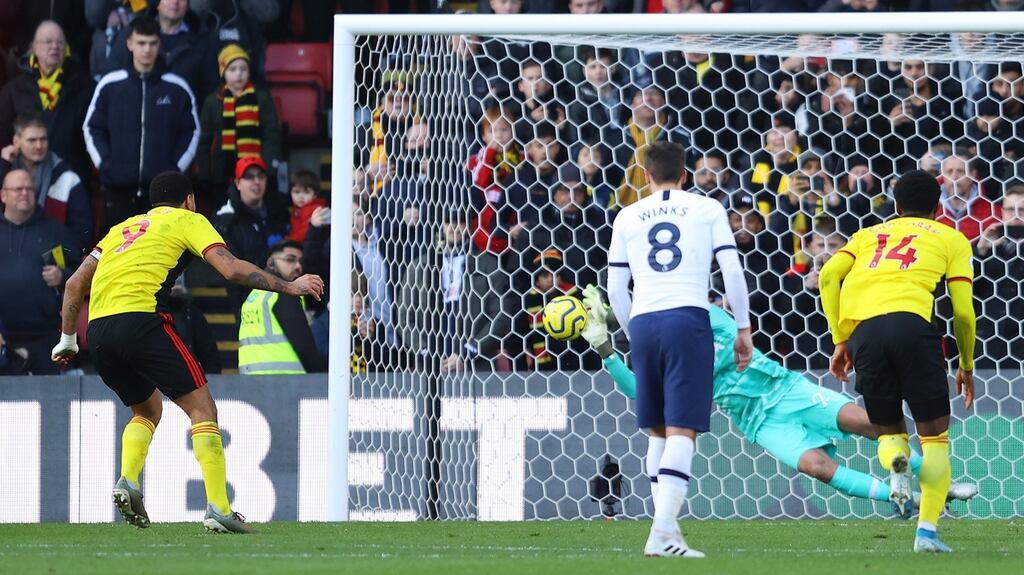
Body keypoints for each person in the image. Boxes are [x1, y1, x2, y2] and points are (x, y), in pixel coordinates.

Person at [50, 171, 323, 533]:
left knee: (147, 409)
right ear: (190, 200)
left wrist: (68, 339)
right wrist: (291, 286)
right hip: (141, 320)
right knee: (202, 408)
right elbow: (230, 269)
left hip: (98, 330)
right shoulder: (188, 219)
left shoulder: (121, 229)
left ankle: (128, 480)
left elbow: (73, 284)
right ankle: (219, 509)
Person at [579, 285, 978, 514]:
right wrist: (606, 351)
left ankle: (937, 485)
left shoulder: (708, 317)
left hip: (788, 390)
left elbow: (657, 317)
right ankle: (906, 498)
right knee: (817, 468)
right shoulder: (672, 363)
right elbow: (643, 393)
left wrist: (617, 315)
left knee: (873, 425)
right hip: (759, 420)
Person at [606, 140, 752, 558]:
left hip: (646, 321)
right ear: (686, 175)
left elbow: (616, 287)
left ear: (646, 176)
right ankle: (664, 531)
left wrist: (637, 333)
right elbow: (731, 269)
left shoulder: (627, 215)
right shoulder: (707, 210)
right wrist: (743, 327)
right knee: (682, 429)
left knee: (656, 430)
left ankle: (665, 532)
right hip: (687, 317)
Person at [819, 169, 977, 553]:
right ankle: (926, 533)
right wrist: (966, 364)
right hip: (913, 328)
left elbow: (827, 276)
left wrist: (841, 340)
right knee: (935, 440)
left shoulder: (866, 235)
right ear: (937, 208)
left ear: (897, 205)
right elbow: (964, 313)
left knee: (889, 433)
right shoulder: (952, 238)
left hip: (866, 335)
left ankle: (898, 463)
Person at [83, 15, 199, 233]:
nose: (147, 50)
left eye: (153, 43)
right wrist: (106, 165)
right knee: (118, 257)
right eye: (141, 43)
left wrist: (174, 170)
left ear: (159, 45)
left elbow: (191, 131)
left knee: (160, 259)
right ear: (129, 44)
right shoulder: (110, 85)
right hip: (117, 189)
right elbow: (92, 128)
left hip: (162, 196)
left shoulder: (177, 87)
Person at [0, 169, 81, 375]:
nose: (24, 193)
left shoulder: (55, 232)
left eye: (29, 188)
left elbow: (80, 272)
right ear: (3, 195)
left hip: (46, 338)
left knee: (52, 404)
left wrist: (62, 275)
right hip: (2, 340)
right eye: (18, 189)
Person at [0, 20, 93, 183]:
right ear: (34, 47)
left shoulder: (85, 87)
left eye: (60, 42)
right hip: (24, 180)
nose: (55, 46)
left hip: (70, 178)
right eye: (48, 41)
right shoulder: (13, 90)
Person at [197, 43, 282, 208]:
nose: (238, 74)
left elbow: (271, 135)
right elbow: (205, 139)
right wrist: (205, 173)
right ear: (223, 72)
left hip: (254, 173)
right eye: (232, 69)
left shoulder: (261, 98)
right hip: (221, 173)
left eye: (243, 69)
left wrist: (268, 169)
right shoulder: (212, 101)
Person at [0, 114, 92, 244]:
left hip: (51, 254)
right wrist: (3, 165)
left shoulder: (68, 179)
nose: (39, 146)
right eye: (32, 140)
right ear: (16, 142)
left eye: (43, 139)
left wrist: (64, 263)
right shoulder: (6, 170)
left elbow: (82, 233)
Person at [238, 241, 324, 375]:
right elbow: (303, 343)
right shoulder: (285, 294)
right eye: (290, 259)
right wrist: (319, 376)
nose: (298, 266)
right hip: (287, 380)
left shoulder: (253, 296)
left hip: (251, 379)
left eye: (301, 261)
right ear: (271, 262)